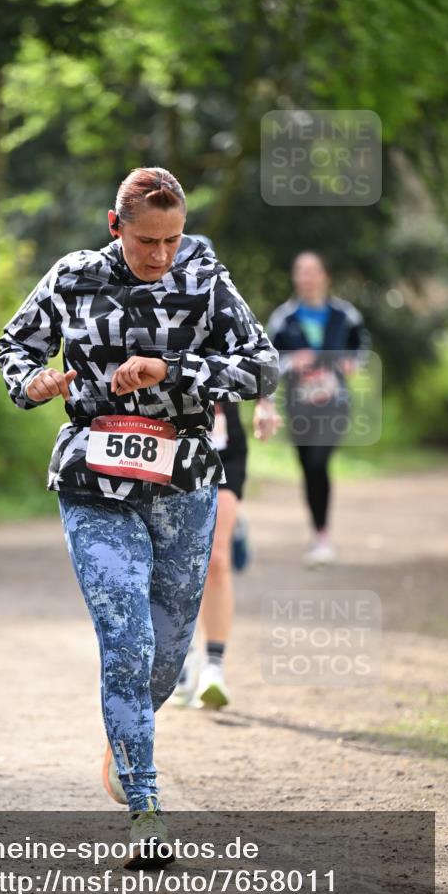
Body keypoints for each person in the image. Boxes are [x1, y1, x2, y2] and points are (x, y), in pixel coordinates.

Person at [0, 167, 278, 866]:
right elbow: (16, 346)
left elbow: (261, 368)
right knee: (125, 639)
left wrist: (171, 371)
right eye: (148, 240)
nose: (161, 255)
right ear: (115, 225)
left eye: (173, 240)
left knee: (163, 650)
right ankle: (146, 809)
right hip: (92, 477)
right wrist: (30, 383)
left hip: (182, 482)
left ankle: (123, 740)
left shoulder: (205, 280)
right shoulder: (72, 277)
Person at [170, 237, 282, 711]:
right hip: (170, 451)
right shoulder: (157, 310)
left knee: (216, 559)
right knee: (174, 563)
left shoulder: (222, 307)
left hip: (222, 450)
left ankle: (214, 666)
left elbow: (261, 356)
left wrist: (266, 405)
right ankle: (181, 657)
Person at [266, 251, 370, 567]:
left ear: (325, 276)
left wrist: (353, 362)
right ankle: (319, 533)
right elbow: (267, 362)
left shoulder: (345, 315)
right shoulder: (283, 319)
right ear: (295, 278)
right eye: (301, 271)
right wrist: (290, 363)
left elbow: (361, 345)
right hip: (299, 407)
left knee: (319, 459)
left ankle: (322, 536)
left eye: (312, 271)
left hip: (334, 405)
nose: (306, 277)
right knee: (309, 468)